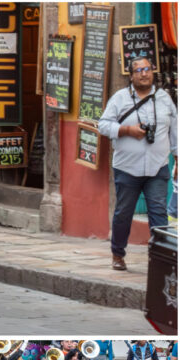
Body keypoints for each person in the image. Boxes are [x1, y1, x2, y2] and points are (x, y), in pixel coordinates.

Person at [99, 55, 178, 271]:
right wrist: (126, 130)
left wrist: (177, 158)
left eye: (147, 69)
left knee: (159, 214)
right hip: (127, 168)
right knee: (124, 213)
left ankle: (161, 260)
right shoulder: (120, 98)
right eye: (138, 70)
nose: (144, 74)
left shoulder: (164, 98)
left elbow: (175, 130)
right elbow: (103, 125)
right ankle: (118, 253)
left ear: (153, 72)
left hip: (157, 167)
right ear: (131, 75)